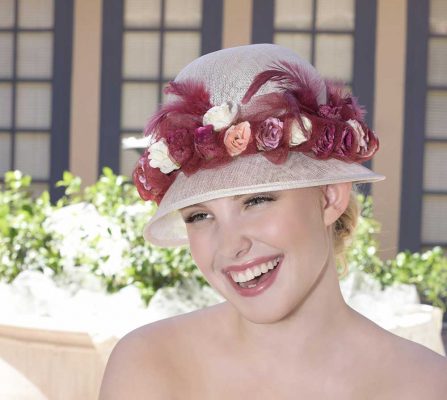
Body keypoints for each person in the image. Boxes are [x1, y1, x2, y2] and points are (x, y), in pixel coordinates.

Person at [99, 44, 447, 399]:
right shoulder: (149, 365)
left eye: (256, 200)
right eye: (200, 215)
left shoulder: (426, 386)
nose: (230, 245)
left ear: (329, 198)